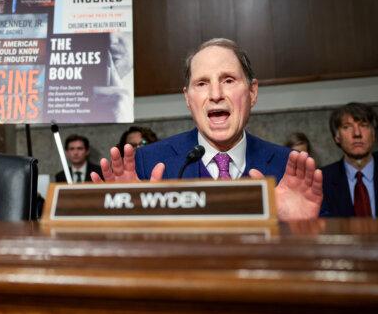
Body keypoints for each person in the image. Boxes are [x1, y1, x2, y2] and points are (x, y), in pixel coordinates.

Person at [92, 38, 323, 221]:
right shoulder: (147, 163)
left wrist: (302, 229)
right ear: (187, 98)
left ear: (252, 92)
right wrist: (124, 220)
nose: (215, 95)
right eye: (202, 83)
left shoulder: (291, 169)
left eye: (228, 80)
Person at [321, 103, 377, 218]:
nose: (357, 133)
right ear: (337, 136)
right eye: (347, 127)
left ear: (374, 134)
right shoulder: (323, 180)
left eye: (364, 125)